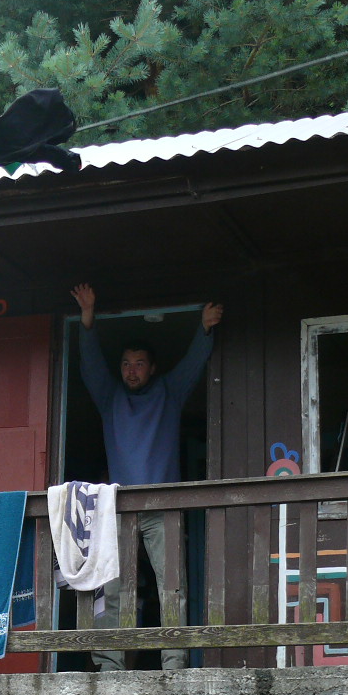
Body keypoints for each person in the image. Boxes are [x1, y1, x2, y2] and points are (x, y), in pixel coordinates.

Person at [71, 283, 223, 671]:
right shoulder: (110, 397)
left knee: (171, 585)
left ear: (152, 368)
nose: (131, 370)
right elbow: (91, 366)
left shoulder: (169, 391)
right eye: (126, 364)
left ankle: (173, 662)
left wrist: (204, 328)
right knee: (115, 588)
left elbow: (192, 363)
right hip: (118, 509)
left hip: (163, 507)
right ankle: (111, 665)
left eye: (139, 364)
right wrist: (87, 319)